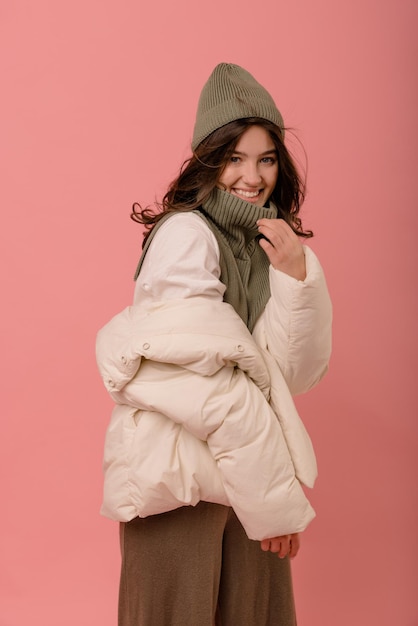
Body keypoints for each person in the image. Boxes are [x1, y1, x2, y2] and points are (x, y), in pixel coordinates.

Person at [96, 63, 332, 626]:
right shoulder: (185, 236)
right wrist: (273, 504)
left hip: (245, 484)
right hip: (179, 490)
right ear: (209, 159)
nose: (253, 177)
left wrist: (298, 280)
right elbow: (210, 389)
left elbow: (289, 375)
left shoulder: (269, 243)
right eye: (235, 158)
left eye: (266, 158)